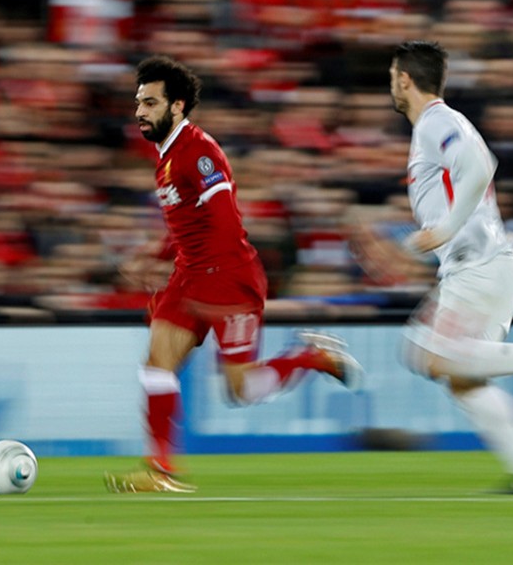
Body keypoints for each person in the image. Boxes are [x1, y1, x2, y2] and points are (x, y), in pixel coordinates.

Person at [105, 55, 363, 493]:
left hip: (229, 279)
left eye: (150, 103)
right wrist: (154, 255)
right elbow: (187, 220)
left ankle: (309, 355)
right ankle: (160, 470)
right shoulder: (166, 157)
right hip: (191, 276)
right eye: (138, 103)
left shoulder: (199, 151)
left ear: (178, 106)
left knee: (242, 390)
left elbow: (223, 218)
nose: (140, 112)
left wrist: (215, 282)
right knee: (155, 366)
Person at [387, 40, 513, 493]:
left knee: (429, 356)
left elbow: (481, 165)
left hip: (477, 265)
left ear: (404, 78)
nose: (392, 85)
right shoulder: (436, 124)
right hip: (488, 267)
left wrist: (445, 229)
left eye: (392, 76)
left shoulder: (436, 120)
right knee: (464, 380)